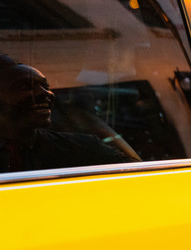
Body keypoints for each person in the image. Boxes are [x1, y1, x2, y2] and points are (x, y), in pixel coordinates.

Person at [0, 55, 136, 172]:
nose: (46, 93)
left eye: (46, 86)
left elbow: (138, 177)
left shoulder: (84, 148)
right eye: (25, 87)